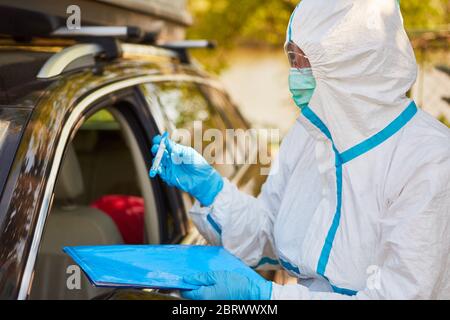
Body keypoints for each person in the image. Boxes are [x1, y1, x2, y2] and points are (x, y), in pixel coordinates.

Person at [151, 0, 450, 300]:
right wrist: (211, 189)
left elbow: (400, 295)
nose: (295, 73)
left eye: (304, 60)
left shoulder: (429, 159)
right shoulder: (310, 134)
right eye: (292, 58)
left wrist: (264, 298)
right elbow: (267, 228)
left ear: (350, 63)